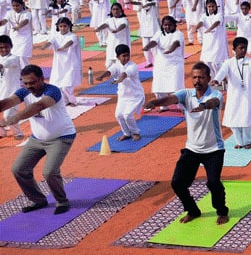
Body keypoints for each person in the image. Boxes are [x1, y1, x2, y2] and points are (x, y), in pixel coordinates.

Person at [143, 62, 229, 225]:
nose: (197, 81)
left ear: (208, 78)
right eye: (195, 77)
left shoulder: (215, 95)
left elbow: (213, 104)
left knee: (213, 183)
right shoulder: (186, 94)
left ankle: (222, 211)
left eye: (201, 77)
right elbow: (170, 98)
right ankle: (193, 210)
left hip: (214, 149)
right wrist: (155, 102)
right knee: (177, 183)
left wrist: (203, 106)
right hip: (192, 149)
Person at [0, 65, 78, 214]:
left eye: (33, 82)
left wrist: (14, 118)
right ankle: (38, 200)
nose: (29, 86)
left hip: (61, 138)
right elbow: (8, 102)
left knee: (49, 172)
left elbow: (39, 105)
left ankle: (62, 201)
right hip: (37, 139)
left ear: (42, 79)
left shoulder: (53, 91)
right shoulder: (24, 92)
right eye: (26, 83)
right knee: (19, 169)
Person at [211, 37, 251, 149]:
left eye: (245, 48)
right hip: (234, 95)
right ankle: (239, 142)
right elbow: (222, 72)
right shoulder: (228, 63)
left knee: (246, 119)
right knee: (233, 119)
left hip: (247, 95)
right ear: (234, 49)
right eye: (241, 48)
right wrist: (216, 80)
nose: (243, 50)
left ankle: (247, 141)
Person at [95, 45, 144, 141]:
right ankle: (126, 133)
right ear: (118, 57)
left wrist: (119, 80)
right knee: (118, 115)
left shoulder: (132, 66)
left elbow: (125, 74)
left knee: (127, 115)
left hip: (135, 95)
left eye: (127, 55)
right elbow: (110, 71)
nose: (126, 58)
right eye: (123, 56)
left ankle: (136, 132)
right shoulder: (116, 65)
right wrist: (101, 76)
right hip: (123, 95)